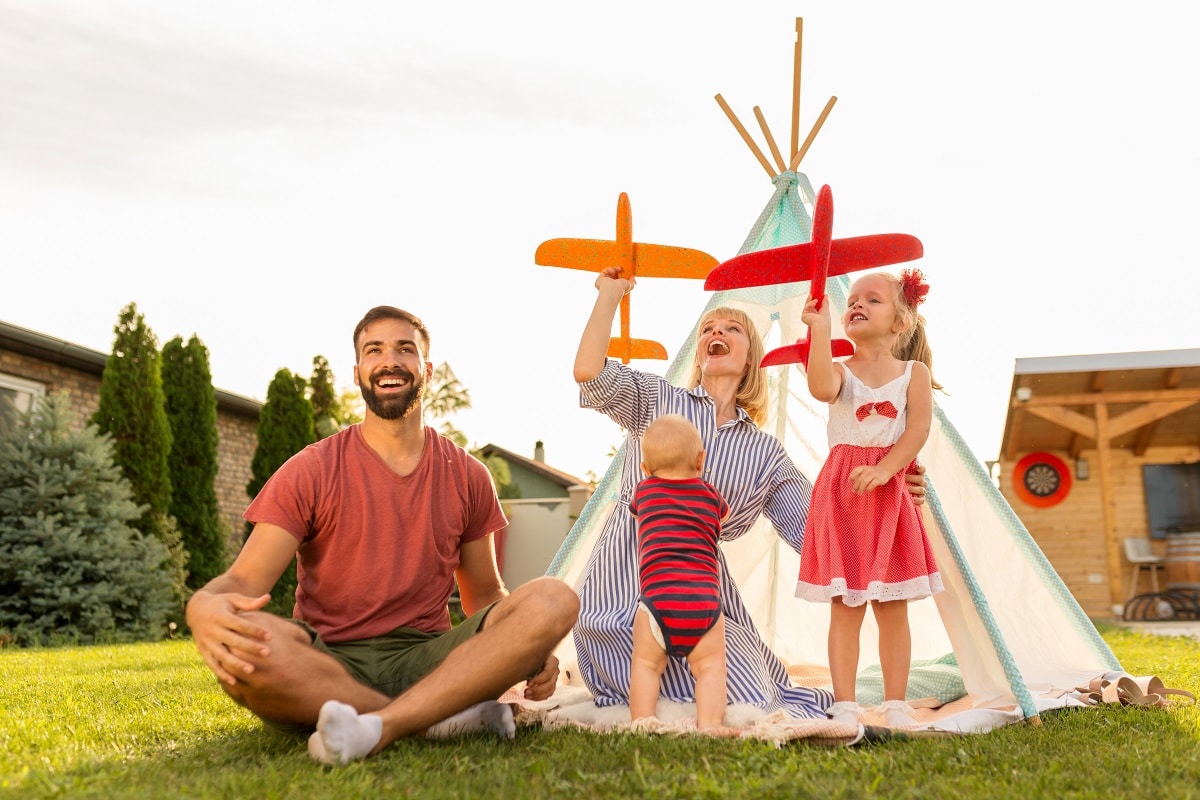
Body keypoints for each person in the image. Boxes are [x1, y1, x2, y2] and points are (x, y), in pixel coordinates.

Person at [185, 305, 579, 765]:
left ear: (426, 370)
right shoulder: (311, 469)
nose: (389, 360)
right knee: (248, 638)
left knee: (554, 599)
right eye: (374, 349)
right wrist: (199, 606)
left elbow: (486, 594)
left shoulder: (468, 475)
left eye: (404, 349)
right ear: (357, 372)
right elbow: (244, 582)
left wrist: (530, 649)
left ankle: (382, 725)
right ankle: (433, 719)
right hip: (325, 663)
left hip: (427, 660)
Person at [572, 267, 928, 722]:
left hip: (702, 592)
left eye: (732, 328)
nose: (716, 332)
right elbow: (589, 372)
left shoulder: (765, 453)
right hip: (627, 575)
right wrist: (609, 294)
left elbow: (820, 529)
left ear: (750, 357)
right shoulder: (656, 400)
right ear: (700, 353)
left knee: (752, 695)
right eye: (708, 329)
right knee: (637, 658)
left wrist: (895, 483)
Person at [794, 269, 944, 729]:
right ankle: (845, 700)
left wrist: (885, 468)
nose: (857, 303)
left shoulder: (913, 374)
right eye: (852, 299)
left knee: (891, 605)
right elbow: (820, 387)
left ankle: (896, 701)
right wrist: (818, 329)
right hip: (843, 496)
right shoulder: (841, 372)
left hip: (887, 496)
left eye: (872, 299)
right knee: (846, 604)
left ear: (901, 321)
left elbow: (917, 429)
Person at [630, 414, 733, 733]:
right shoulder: (712, 496)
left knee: (646, 665)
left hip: (658, 598)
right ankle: (711, 723)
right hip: (702, 600)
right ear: (700, 460)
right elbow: (723, 518)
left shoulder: (643, 492)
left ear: (645, 470)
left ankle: (642, 721)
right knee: (711, 666)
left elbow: (635, 513)